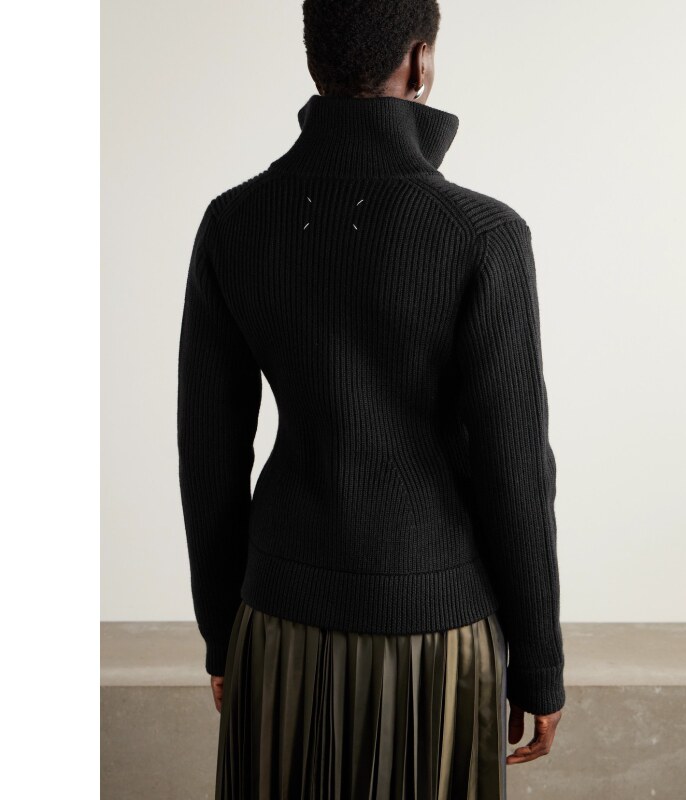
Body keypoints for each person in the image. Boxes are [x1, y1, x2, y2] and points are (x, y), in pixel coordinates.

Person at [177, 1, 565, 796]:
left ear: (314, 61)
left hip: (275, 619)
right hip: (435, 632)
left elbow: (208, 455)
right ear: (420, 62)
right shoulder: (482, 234)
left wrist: (222, 634)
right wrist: (539, 664)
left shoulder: (233, 221)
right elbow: (516, 470)